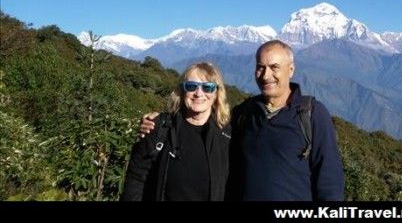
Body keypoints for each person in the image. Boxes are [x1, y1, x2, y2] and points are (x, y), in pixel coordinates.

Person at [139, 40, 345, 201]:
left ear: (290, 70)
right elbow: (203, 117)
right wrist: (162, 121)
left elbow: (330, 183)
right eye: (260, 67)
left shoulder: (311, 114)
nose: (266, 75)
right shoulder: (244, 113)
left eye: (274, 67)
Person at [121, 62, 232, 201]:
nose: (199, 93)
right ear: (182, 91)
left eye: (207, 87)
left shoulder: (227, 135)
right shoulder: (159, 127)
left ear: (217, 94)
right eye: (191, 86)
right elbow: (136, 178)